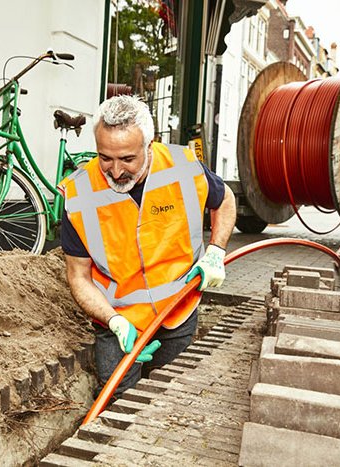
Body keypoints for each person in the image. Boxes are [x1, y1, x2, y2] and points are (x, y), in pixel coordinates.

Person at [58, 95, 236, 398]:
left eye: (127, 159)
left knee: (169, 397)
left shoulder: (184, 167)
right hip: (118, 319)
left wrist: (216, 251)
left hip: (178, 308)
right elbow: (78, 276)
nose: (115, 172)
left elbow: (225, 199)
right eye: (105, 158)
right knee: (118, 400)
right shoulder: (79, 193)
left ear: (150, 146)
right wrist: (114, 321)